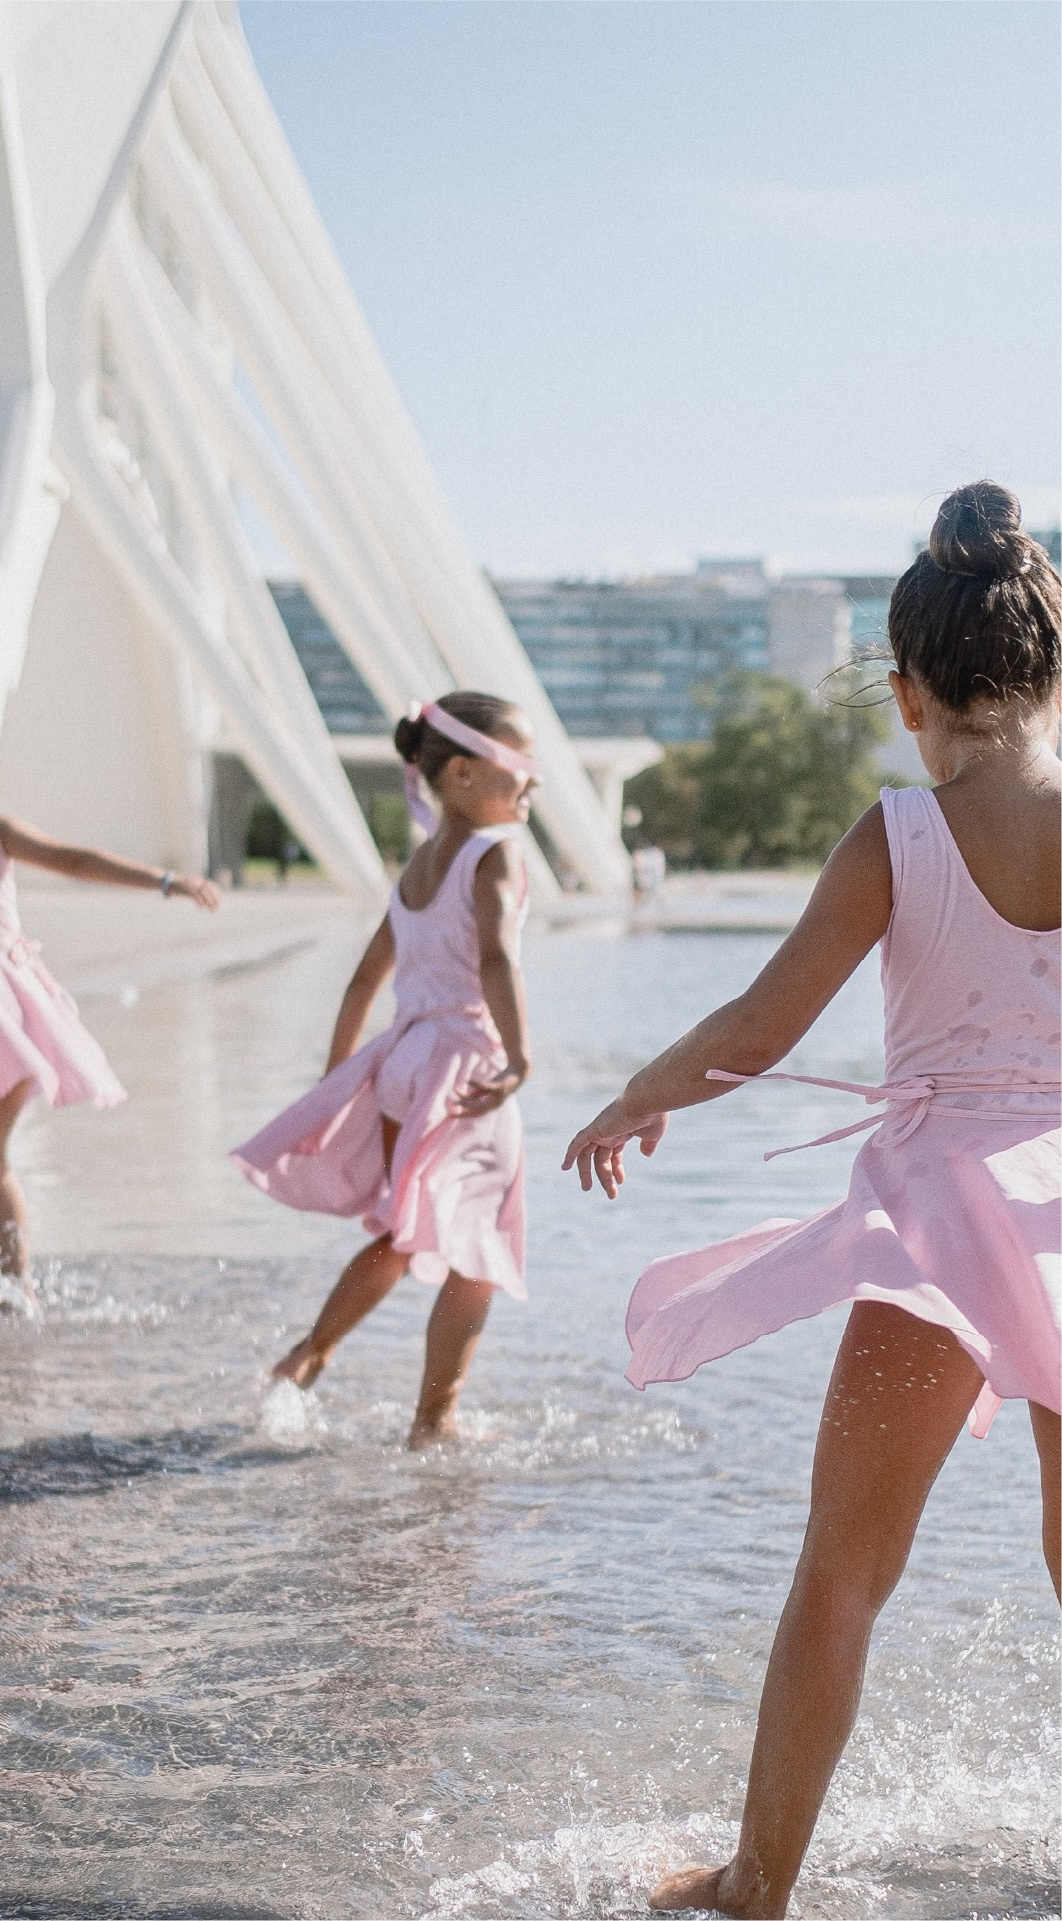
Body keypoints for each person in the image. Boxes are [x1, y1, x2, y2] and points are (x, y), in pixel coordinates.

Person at [562, 482, 1061, 1917]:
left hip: (943, 1232)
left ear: (908, 692)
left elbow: (758, 1029)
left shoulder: (898, 834)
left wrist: (633, 1093)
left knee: (840, 1576)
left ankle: (757, 1886)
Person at [233, 692, 537, 1449]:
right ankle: (435, 1421)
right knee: (479, 1253)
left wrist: (343, 1076)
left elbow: (364, 977)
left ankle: (310, 1353)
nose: (534, 779)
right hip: (465, 1065)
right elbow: (495, 956)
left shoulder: (417, 867)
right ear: (462, 772)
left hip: (405, 1061)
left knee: (403, 1231)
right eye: (520, 764)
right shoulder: (492, 854)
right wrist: (522, 1056)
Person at [0, 814, 220, 1286]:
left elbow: (74, 860)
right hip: (8, 1008)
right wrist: (167, 882)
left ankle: (17, 1287)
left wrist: (167, 880)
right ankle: (18, 1286)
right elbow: (73, 861)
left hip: (1, 1007)